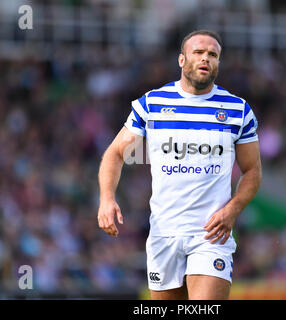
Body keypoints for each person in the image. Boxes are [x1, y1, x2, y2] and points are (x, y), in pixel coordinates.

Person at [97, 30, 262, 300]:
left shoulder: (237, 110)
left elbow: (252, 170)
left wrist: (233, 209)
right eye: (198, 52)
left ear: (218, 63)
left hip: (211, 235)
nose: (205, 58)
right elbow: (115, 153)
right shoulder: (152, 104)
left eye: (213, 54)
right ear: (182, 60)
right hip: (164, 233)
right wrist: (106, 199)